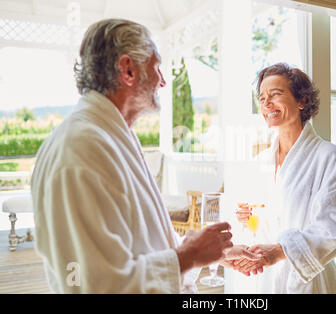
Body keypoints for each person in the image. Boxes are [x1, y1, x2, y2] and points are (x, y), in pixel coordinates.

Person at [30, 18, 257, 294]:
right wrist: (189, 256)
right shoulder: (81, 149)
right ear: (128, 70)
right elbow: (95, 284)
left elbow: (146, 241)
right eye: (157, 67)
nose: (163, 82)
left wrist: (216, 253)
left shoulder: (113, 136)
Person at [234, 63, 336, 294]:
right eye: (262, 97)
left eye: (275, 94)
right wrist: (247, 218)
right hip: (268, 277)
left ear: (302, 101)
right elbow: (265, 219)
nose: (267, 103)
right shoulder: (262, 160)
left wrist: (279, 251)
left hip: (308, 280)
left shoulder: (328, 157)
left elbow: (332, 228)